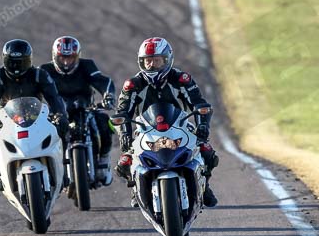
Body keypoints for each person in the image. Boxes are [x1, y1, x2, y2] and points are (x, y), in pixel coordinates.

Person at [114, 37, 219, 207]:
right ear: (141, 62)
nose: (152, 65)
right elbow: (122, 113)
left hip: (180, 126)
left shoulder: (181, 79)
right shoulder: (133, 84)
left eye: (157, 60)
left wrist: (203, 125)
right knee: (123, 162)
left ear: (167, 60)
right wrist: (124, 134)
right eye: (148, 61)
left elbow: (200, 104)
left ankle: (204, 186)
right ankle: (136, 189)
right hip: (146, 131)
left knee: (207, 152)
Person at [0, 39, 68, 167]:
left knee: (61, 132)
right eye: (12, 63)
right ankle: (2, 174)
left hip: (37, 117)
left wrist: (61, 116)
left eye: (21, 63)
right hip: (5, 121)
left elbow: (55, 98)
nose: (16, 67)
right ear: (4, 60)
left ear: (29, 61)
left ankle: (62, 165)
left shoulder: (39, 75)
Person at [40, 36, 116, 186]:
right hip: (57, 113)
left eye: (71, 58)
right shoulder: (45, 70)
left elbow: (103, 81)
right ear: (55, 56)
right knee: (41, 132)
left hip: (85, 109)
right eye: (62, 58)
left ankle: (104, 160)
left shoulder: (87, 66)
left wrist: (108, 97)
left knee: (104, 122)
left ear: (77, 56)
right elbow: (35, 91)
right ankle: (49, 169)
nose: (67, 62)